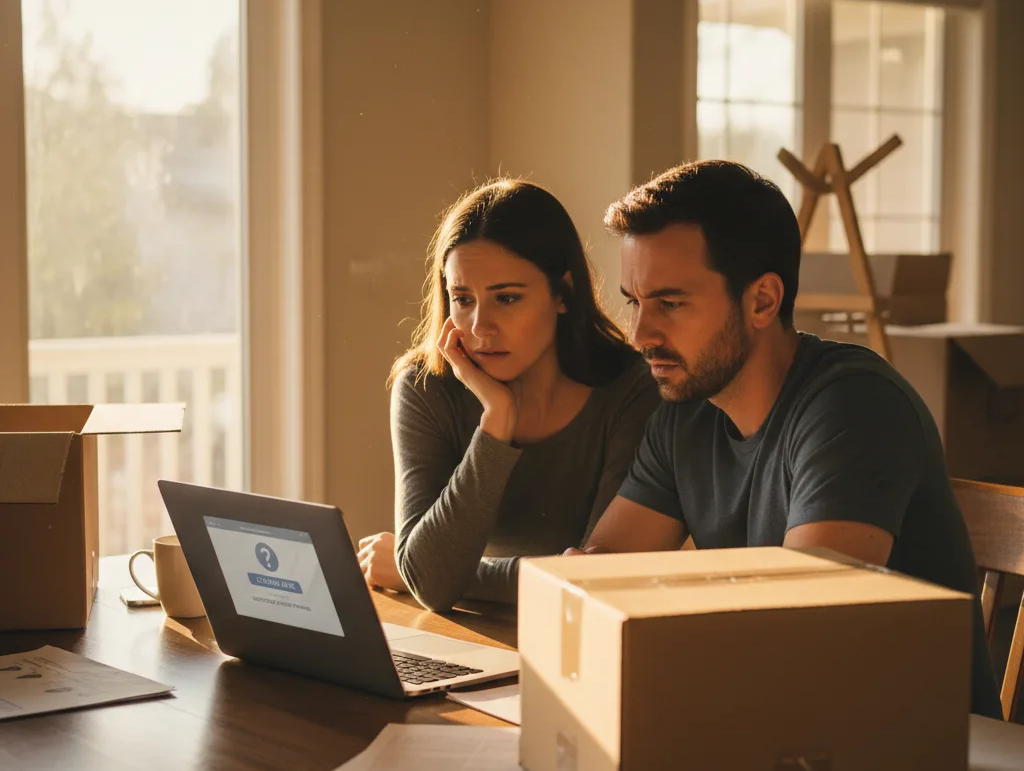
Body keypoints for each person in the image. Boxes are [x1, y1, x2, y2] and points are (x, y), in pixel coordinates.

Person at [580, 159, 1002, 718]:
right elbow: (600, 572)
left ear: (762, 300)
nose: (641, 334)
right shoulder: (686, 411)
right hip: (775, 728)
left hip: (920, 758)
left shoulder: (855, 405)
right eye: (636, 302)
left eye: (671, 303)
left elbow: (799, 622)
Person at [357, 178, 660, 612]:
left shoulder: (630, 390)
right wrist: (497, 422)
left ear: (563, 293)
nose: (480, 327)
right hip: (473, 638)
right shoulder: (426, 388)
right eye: (463, 298)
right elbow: (434, 584)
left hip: (579, 643)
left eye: (508, 298)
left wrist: (418, 570)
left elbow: (592, 583)